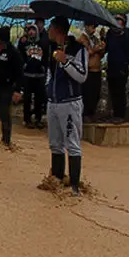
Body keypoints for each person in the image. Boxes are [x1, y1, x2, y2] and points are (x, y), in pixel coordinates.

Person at [46, 16, 88, 197]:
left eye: (50, 28)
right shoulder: (52, 49)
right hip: (53, 102)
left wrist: (66, 61)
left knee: (72, 144)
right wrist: (47, 89)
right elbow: (50, 74)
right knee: (55, 144)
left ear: (57, 30)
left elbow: (82, 76)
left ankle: (74, 187)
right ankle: (55, 180)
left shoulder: (79, 49)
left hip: (70, 103)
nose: (48, 31)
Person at [105, 14, 129, 122]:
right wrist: (102, 38)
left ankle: (120, 115)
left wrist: (124, 65)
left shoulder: (127, 33)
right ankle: (113, 113)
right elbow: (107, 48)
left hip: (121, 68)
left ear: (124, 22)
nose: (117, 21)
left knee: (120, 92)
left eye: (119, 20)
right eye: (116, 19)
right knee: (112, 92)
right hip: (111, 67)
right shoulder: (110, 33)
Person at [18, 23, 48, 128]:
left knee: (39, 99)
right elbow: (19, 55)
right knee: (27, 98)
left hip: (39, 75)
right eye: (29, 30)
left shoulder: (42, 43)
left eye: (33, 30)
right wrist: (23, 65)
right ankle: (27, 119)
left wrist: (44, 66)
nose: (31, 32)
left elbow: (46, 56)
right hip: (27, 74)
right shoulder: (23, 43)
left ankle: (38, 119)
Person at [81, 22, 105, 122]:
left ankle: (92, 113)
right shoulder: (82, 38)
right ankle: (85, 113)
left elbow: (101, 55)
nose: (93, 29)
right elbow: (87, 53)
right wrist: (95, 49)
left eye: (94, 27)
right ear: (86, 26)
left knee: (96, 93)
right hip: (88, 70)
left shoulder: (96, 39)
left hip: (97, 69)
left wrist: (102, 44)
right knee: (87, 93)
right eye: (91, 26)